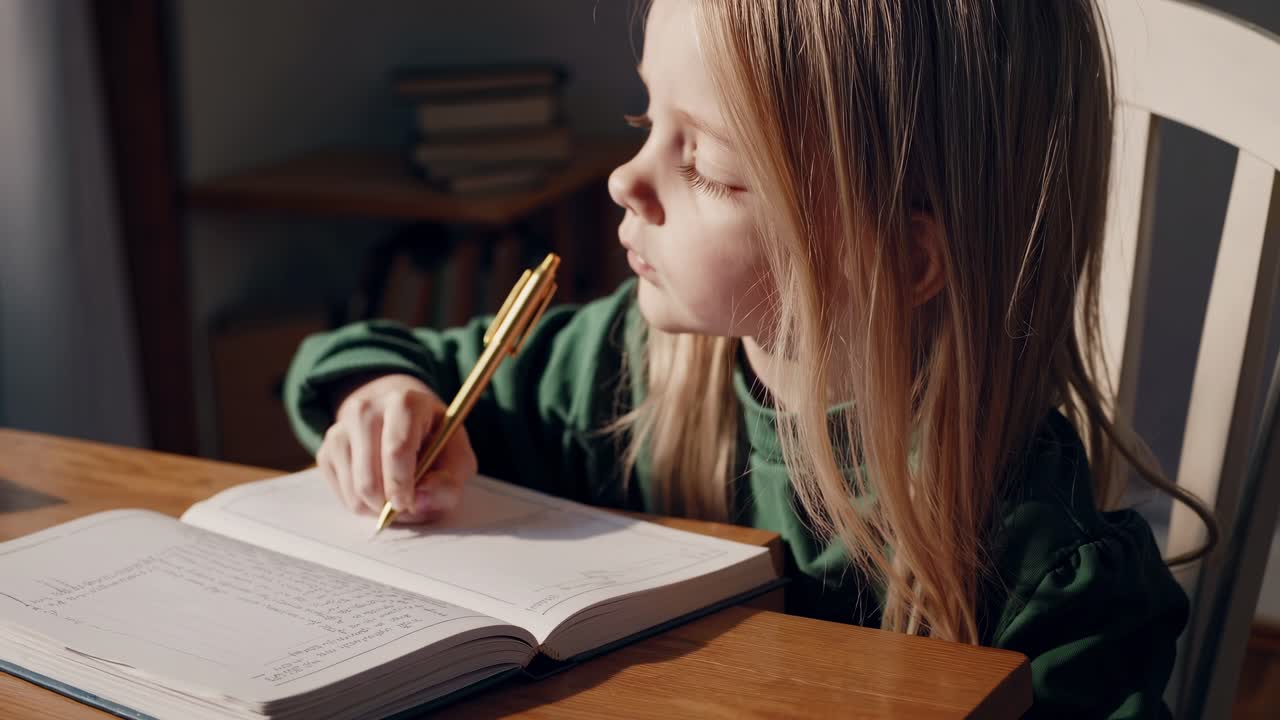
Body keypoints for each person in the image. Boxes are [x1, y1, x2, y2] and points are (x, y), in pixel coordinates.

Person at [284, 2, 1215, 716]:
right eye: (645, 116)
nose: (624, 177)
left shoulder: (1043, 573)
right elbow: (374, 356)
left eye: (709, 167)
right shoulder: (617, 369)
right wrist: (388, 398)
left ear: (904, 256)